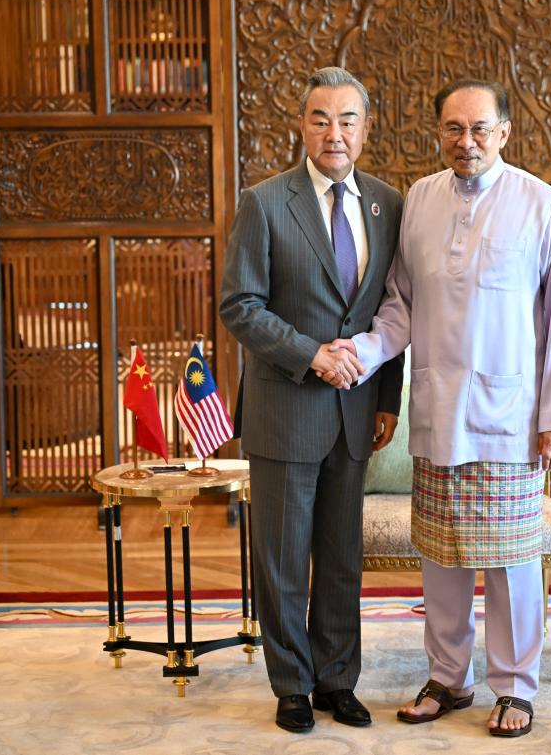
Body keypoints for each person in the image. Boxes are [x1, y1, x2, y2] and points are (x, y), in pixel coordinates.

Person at [325, 79, 551, 737]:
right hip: (438, 412)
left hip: (510, 418)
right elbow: (399, 306)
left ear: (504, 133)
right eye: (452, 128)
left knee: (511, 559)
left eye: (479, 128)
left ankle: (515, 687)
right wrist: (360, 352)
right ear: (438, 132)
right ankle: (447, 677)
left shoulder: (541, 204)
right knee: (441, 557)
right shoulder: (420, 200)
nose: (465, 142)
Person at [219, 67, 403, 734]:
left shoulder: (388, 204)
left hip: (355, 415)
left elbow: (392, 308)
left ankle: (337, 680)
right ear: (302, 126)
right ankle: (291, 684)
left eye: (347, 120)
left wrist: (387, 398)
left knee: (341, 560)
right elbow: (239, 305)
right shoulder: (265, 202)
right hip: (285, 410)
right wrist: (311, 353)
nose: (334, 133)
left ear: (365, 128)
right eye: (321, 119)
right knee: (283, 559)